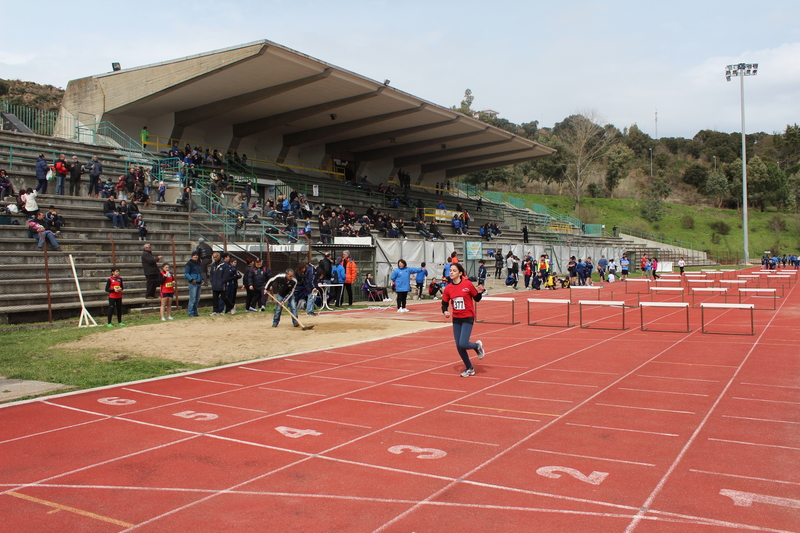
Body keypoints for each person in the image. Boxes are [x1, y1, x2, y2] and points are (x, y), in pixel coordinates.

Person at [441, 262, 486, 377]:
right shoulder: (448, 288)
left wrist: (480, 292)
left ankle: (477, 346)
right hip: (456, 319)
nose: (451, 272)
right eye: (450, 270)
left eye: (454, 270)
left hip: (467, 317)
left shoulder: (468, 284)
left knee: (463, 343)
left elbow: (477, 298)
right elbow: (444, 302)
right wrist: (445, 311)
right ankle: (469, 368)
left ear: (460, 273)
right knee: (459, 346)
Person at [184, 251, 203, 317]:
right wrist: (191, 279)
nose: (196, 256)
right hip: (193, 283)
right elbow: (186, 273)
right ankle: (191, 313)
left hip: (199, 282)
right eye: (194, 255)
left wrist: (202, 278)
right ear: (192, 256)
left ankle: (195, 312)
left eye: (197, 255)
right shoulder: (189, 263)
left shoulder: (199, 263)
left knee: (197, 299)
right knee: (193, 298)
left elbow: (201, 272)